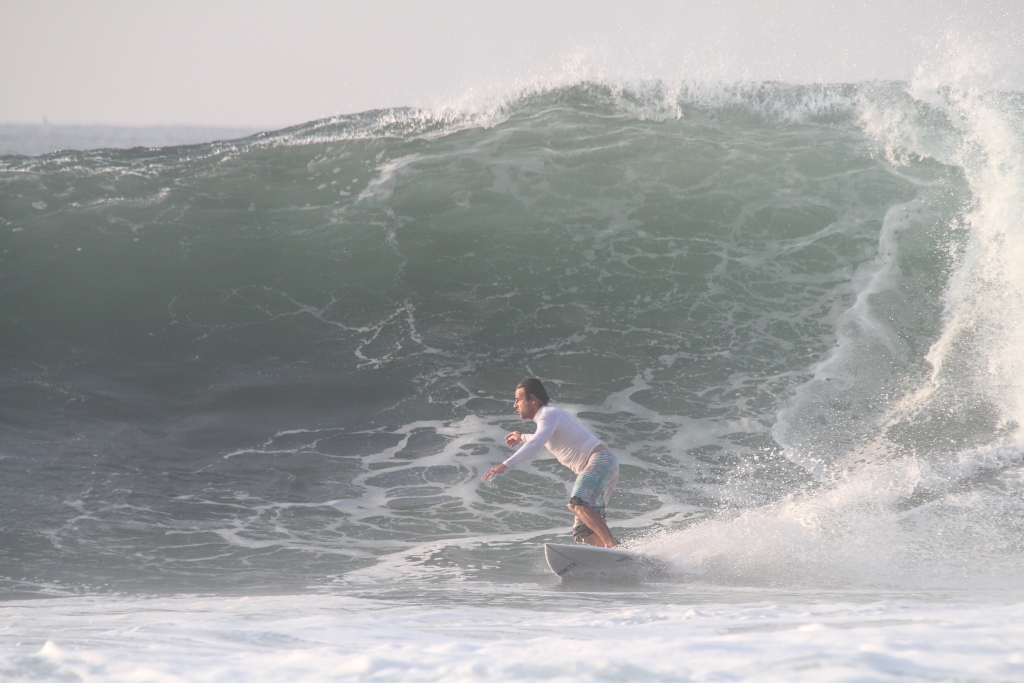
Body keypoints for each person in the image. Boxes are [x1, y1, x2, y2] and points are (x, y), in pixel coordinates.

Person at [481, 378, 620, 547]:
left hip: (600, 460)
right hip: (602, 466)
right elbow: (542, 438)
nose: (514, 405)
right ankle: (624, 556)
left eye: (518, 399)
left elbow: (538, 442)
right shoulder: (549, 420)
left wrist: (506, 464)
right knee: (583, 532)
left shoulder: (548, 414)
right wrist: (521, 437)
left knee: (577, 504)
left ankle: (612, 546)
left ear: (533, 400)